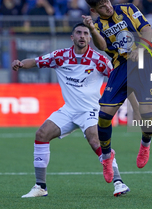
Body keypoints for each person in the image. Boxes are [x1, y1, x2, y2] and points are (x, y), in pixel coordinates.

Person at [12, 23, 131, 197]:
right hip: (69, 110)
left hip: (90, 110)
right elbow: (36, 62)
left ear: (90, 38)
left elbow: (116, 76)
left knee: (95, 141)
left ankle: (119, 182)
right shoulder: (60, 56)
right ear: (72, 37)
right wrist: (21, 64)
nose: (82, 36)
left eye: (85, 33)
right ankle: (40, 187)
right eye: (79, 33)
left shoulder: (98, 59)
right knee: (41, 134)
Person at [82, 0, 152, 183]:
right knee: (103, 116)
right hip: (120, 67)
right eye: (102, 6)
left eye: (108, 2)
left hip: (144, 61)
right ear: (94, 10)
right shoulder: (97, 25)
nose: (108, 7)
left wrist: (141, 47)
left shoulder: (128, 9)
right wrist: (92, 30)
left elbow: (147, 29)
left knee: (147, 115)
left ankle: (145, 144)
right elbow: (101, 46)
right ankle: (106, 157)